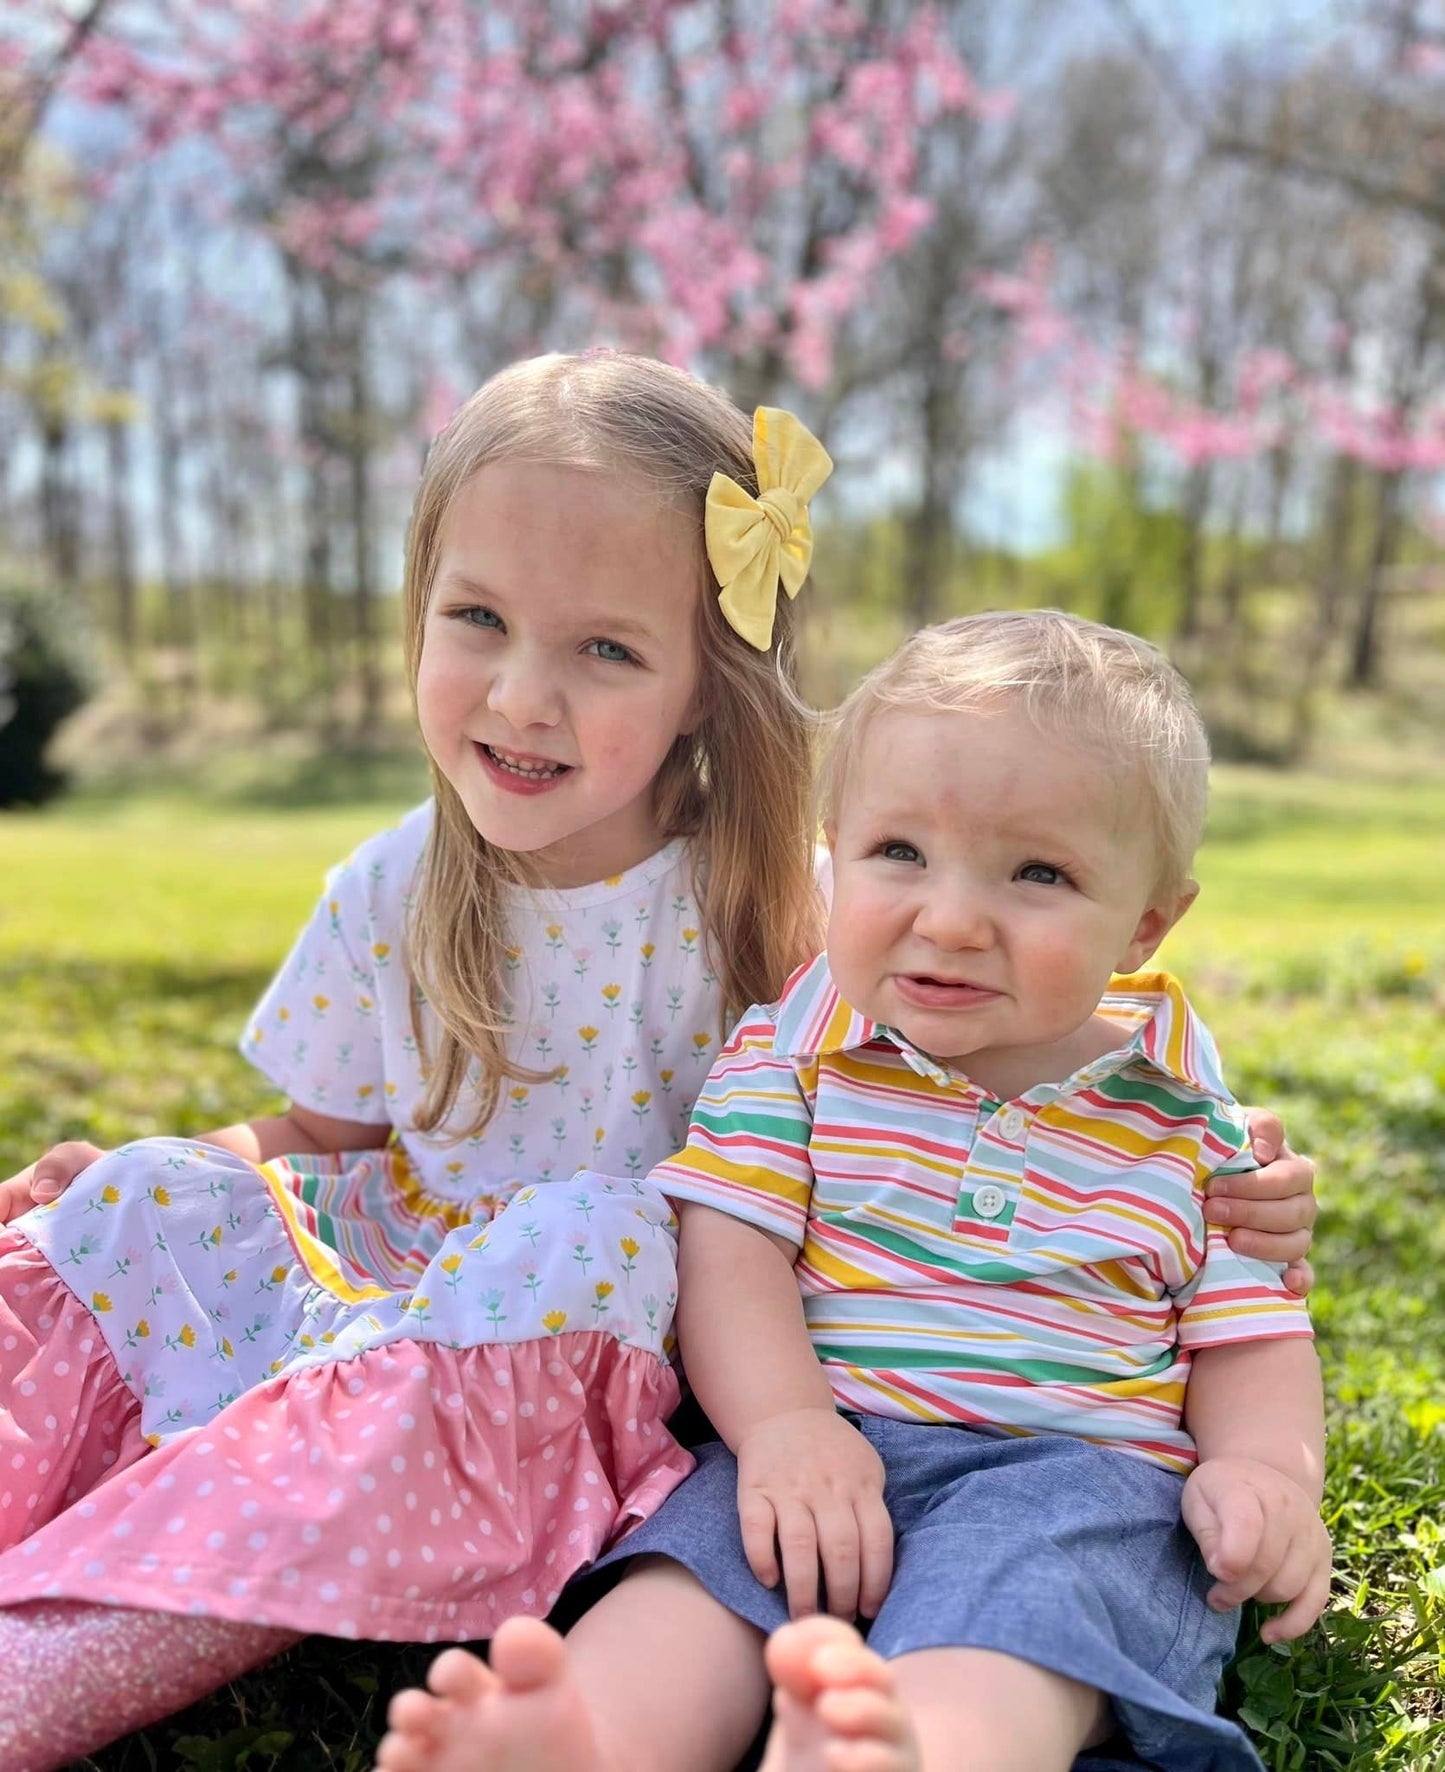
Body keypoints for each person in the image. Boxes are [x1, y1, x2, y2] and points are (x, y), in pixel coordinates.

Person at [0, 352, 833, 1770]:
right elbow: (315, 1138)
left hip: (587, 1318)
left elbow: (986, 1046)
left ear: (707, 685)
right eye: (479, 619)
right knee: (146, 1194)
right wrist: (163, 1175)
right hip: (399, 1284)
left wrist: (1221, 1165)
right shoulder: (392, 885)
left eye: (605, 649)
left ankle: (84, 1632)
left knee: (591, 1229)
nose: (520, 694)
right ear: (418, 611)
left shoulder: (763, 901)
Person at [374, 610, 1331, 1772]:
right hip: (815, 1442)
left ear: (1143, 920)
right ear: (834, 849)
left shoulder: (1187, 1114)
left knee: (1020, 1619)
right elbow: (730, 1251)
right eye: (896, 853)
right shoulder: (794, 1055)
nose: (950, 916)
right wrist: (782, 1426)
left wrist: (1263, 1470)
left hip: (1070, 1475)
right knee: (699, 1590)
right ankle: (583, 1738)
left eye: (1038, 872)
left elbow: (1250, 1331)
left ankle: (909, 1748)